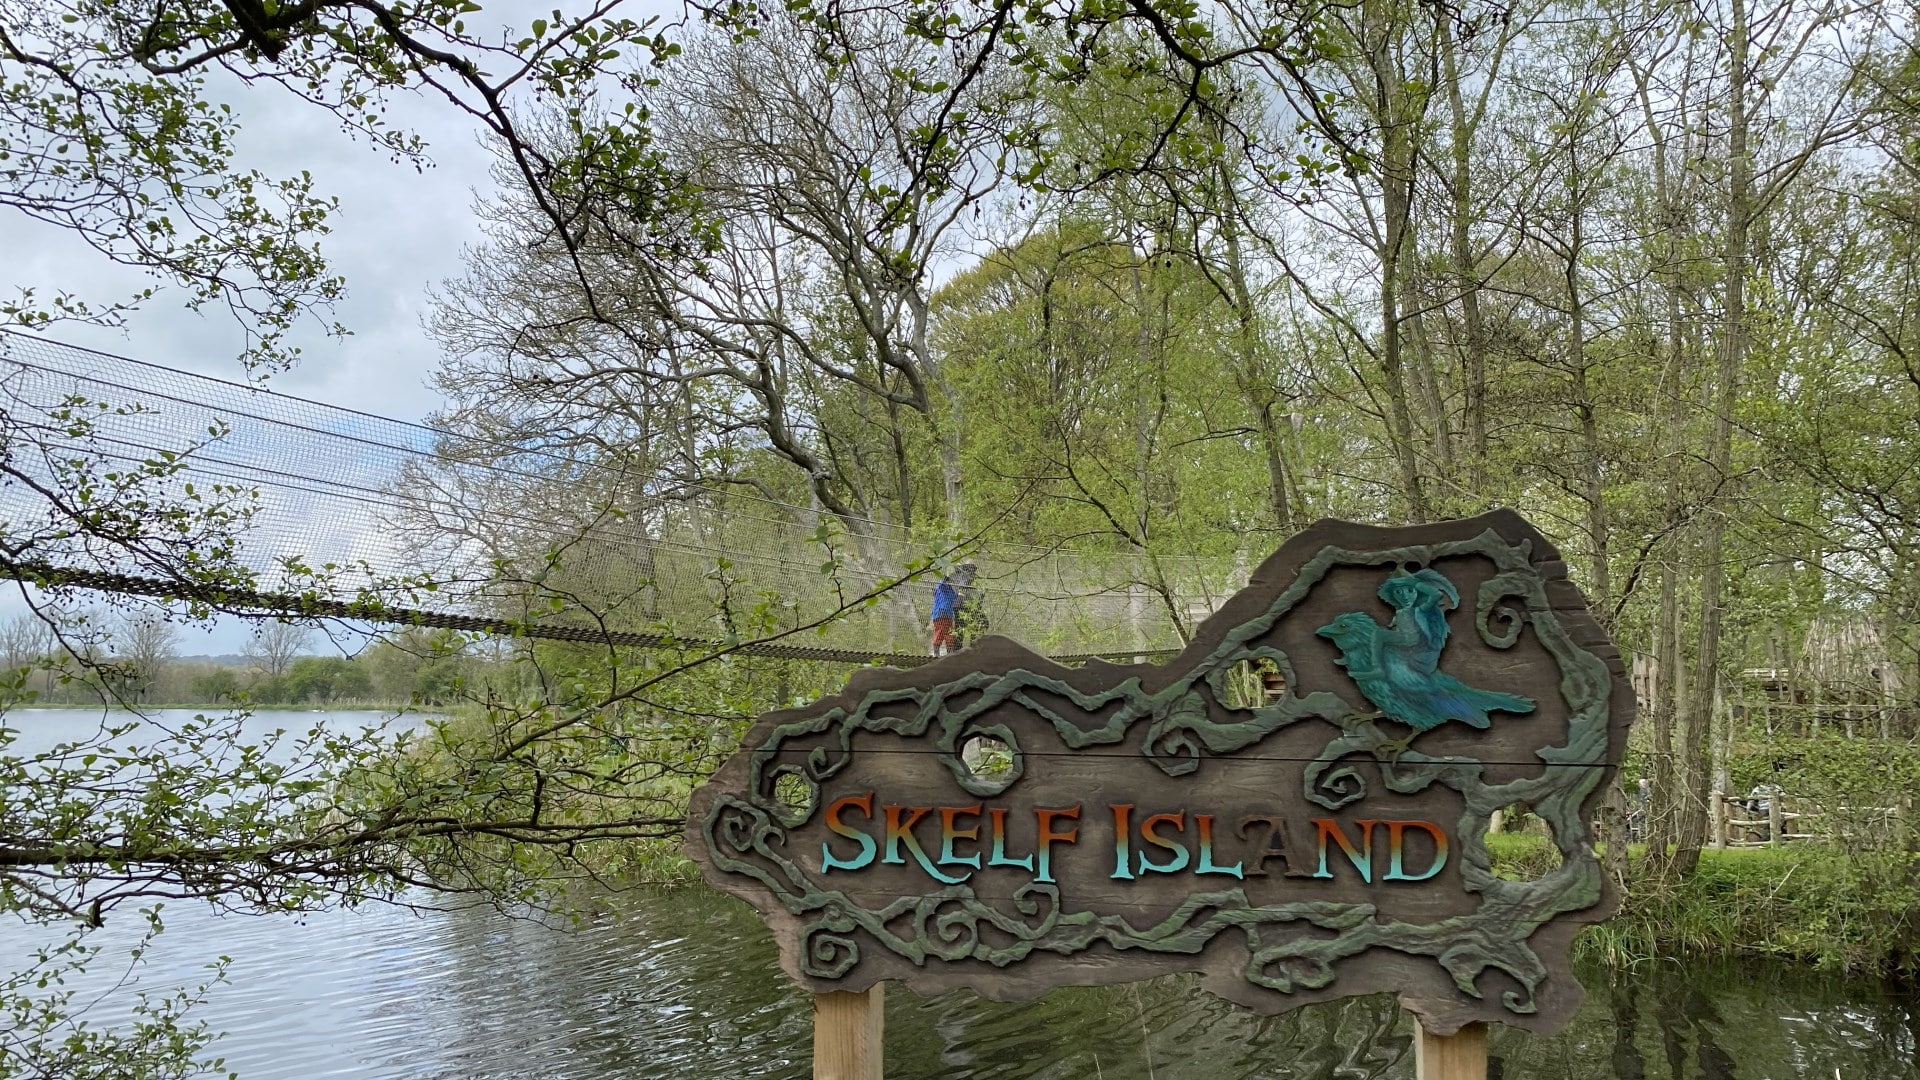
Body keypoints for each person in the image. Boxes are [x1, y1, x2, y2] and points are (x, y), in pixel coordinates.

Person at [929, 562, 978, 656]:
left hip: (948, 613)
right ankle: (936, 653)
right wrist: (956, 567)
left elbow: (962, 585)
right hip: (941, 612)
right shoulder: (942, 586)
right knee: (941, 631)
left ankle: (949, 654)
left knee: (950, 634)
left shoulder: (953, 590)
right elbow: (946, 577)